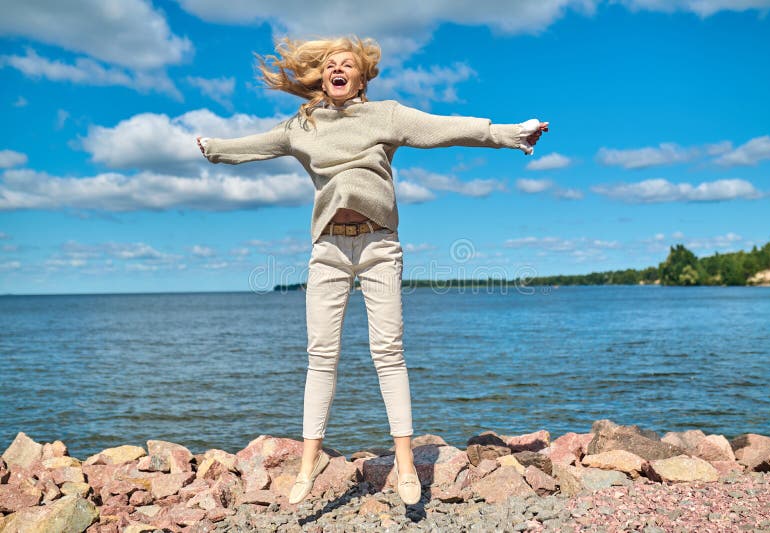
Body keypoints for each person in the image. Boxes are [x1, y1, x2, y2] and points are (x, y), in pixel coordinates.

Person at [196, 35, 549, 506]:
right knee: (321, 355)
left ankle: (405, 465)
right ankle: (306, 465)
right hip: (328, 250)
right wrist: (213, 147)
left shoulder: (386, 115)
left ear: (362, 78)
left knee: (388, 352)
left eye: (346, 65)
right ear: (322, 78)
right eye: (329, 66)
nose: (336, 70)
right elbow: (256, 145)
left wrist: (510, 134)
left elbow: (445, 128)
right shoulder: (302, 124)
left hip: (380, 244)